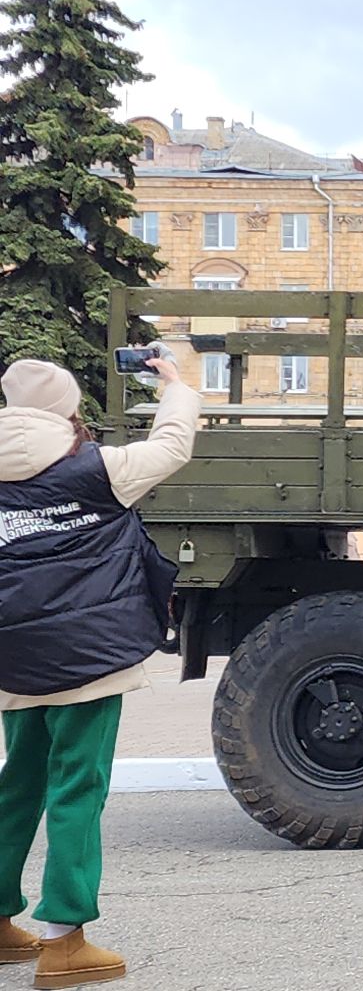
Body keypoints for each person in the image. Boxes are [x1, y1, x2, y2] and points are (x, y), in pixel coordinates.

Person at [0, 356, 199, 988]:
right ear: (68, 408)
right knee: (77, 787)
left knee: (19, 782)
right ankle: (64, 941)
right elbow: (172, 445)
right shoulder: (100, 469)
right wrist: (175, 385)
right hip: (90, 661)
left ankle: (1, 922)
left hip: (13, 661)